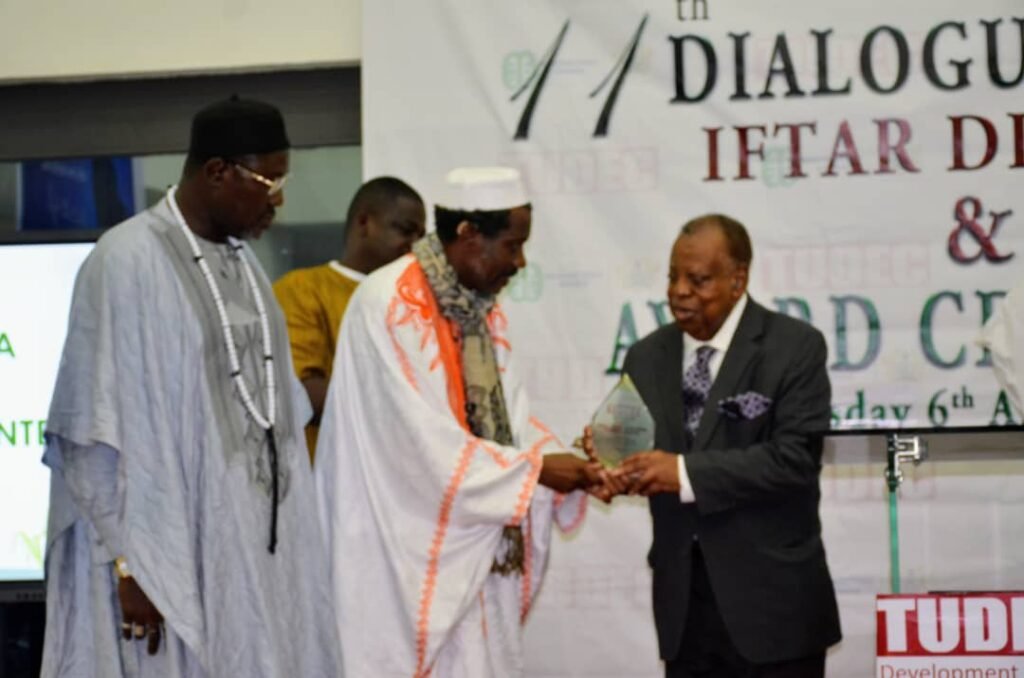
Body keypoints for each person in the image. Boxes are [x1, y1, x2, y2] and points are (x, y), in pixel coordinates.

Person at [41, 97, 339, 677]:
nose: (278, 198)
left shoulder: (244, 265)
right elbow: (91, 430)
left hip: (253, 556)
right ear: (217, 171)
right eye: (267, 181)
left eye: (283, 180)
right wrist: (128, 566)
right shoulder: (124, 260)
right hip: (163, 559)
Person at [316, 166, 609, 678]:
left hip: (476, 557)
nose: (519, 263)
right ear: (468, 234)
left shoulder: (481, 311)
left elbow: (512, 424)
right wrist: (535, 472)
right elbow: (416, 447)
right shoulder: (388, 304)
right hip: (398, 553)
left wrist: (569, 466)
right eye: (512, 246)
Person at [605, 214, 841, 677]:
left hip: (773, 610)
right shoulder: (646, 356)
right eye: (673, 276)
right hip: (684, 613)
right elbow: (618, 446)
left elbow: (794, 460)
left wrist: (684, 473)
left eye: (698, 279)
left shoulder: (795, 347)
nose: (678, 291)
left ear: (738, 280)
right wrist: (605, 468)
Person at [274, 177, 426, 460]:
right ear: (364, 223)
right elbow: (301, 391)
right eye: (405, 231)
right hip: (327, 475)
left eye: (421, 236)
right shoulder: (302, 289)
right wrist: (404, 410)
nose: (414, 246)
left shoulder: (417, 305)